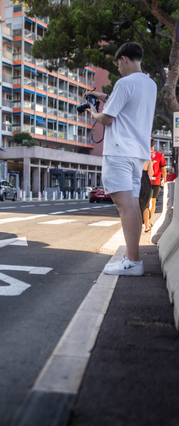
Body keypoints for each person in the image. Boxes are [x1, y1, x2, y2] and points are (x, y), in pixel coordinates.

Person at [84, 42, 157, 276]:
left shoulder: (124, 83)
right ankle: (131, 258)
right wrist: (103, 95)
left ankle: (133, 262)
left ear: (123, 59)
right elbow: (128, 103)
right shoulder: (150, 84)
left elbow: (106, 118)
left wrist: (92, 112)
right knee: (132, 205)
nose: (119, 71)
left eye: (118, 65)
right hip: (138, 154)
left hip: (118, 152)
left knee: (124, 207)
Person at [149, 140, 167, 222]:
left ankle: (145, 221)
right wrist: (164, 180)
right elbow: (163, 169)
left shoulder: (144, 154)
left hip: (145, 181)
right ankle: (149, 221)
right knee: (153, 201)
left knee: (144, 201)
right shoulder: (160, 155)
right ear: (154, 144)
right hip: (155, 181)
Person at [139, 160, 153, 232]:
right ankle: (146, 226)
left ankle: (136, 225)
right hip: (145, 183)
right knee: (146, 205)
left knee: (135, 205)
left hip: (135, 182)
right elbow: (150, 173)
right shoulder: (148, 160)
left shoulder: (134, 157)